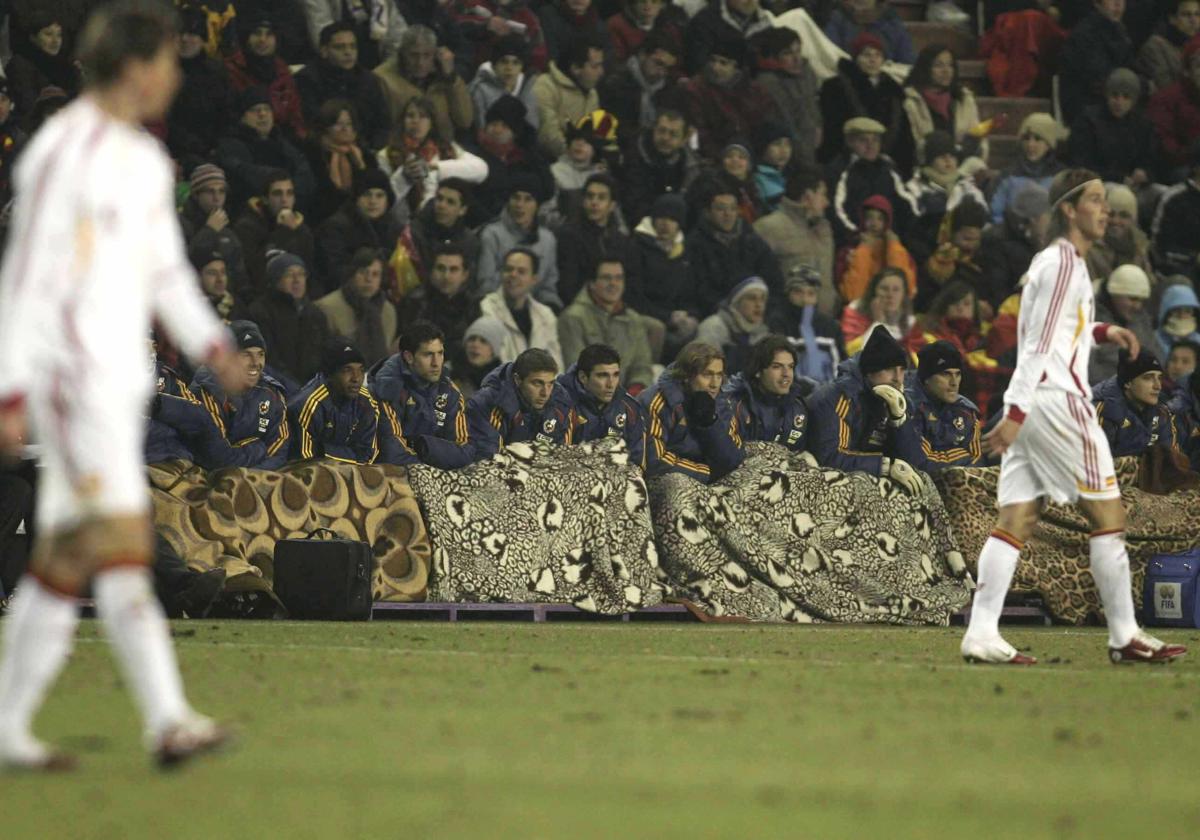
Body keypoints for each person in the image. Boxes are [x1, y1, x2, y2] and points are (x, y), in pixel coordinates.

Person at [0, 1, 237, 771]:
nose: (176, 73)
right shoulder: (61, 154)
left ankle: (6, 724)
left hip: (119, 383)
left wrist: (210, 342)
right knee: (126, 548)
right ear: (136, 67)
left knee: (63, 564)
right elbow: (28, 281)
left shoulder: (142, 160)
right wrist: (9, 391)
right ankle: (168, 719)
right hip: (72, 387)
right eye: (168, 59)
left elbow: (165, 270)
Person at [960, 168, 1186, 665]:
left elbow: (1062, 329)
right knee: (1109, 512)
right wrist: (1016, 411)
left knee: (1017, 517)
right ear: (1069, 209)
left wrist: (1104, 332)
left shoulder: (1062, 264)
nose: (1105, 210)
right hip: (1058, 402)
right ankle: (1125, 634)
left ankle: (980, 632)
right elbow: (1039, 345)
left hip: (1038, 402)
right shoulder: (1064, 262)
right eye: (1097, 200)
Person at [160, 321, 291, 470]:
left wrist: (256, 477)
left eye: (260, 355)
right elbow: (219, 458)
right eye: (246, 355)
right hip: (213, 481)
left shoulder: (272, 393)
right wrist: (258, 446)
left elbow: (279, 452)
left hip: (259, 478)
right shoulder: (207, 392)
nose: (256, 363)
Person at [806, 326, 926, 484]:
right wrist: (885, 466)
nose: (898, 378)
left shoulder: (899, 399)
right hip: (825, 480)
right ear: (870, 371)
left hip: (867, 477)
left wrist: (898, 420)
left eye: (902, 370)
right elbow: (831, 457)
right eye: (889, 369)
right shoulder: (839, 397)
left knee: (922, 485)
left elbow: (915, 463)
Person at [288, 337, 417, 465]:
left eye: (361, 370)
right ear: (330, 375)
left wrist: (323, 449)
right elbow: (304, 457)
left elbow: (367, 456)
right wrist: (349, 454)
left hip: (347, 472)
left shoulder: (367, 402)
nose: (356, 378)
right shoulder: (309, 404)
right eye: (347, 370)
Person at [371, 321, 474, 469]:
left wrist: (423, 445)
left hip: (434, 476)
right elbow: (392, 453)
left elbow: (466, 452)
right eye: (428, 355)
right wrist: (436, 463)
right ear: (409, 357)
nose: (436, 363)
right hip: (394, 479)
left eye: (440, 353)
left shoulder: (449, 391)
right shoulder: (385, 391)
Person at [639, 341, 744, 483]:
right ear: (687, 376)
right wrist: (707, 473)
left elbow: (734, 458)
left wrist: (710, 423)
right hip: (666, 480)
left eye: (719, 375)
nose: (714, 384)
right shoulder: (656, 401)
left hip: (710, 477)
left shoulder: (721, 402)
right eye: (707, 375)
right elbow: (655, 461)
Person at [686, 181, 783, 319]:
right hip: (716, 316)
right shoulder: (695, 244)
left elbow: (774, 281)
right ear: (707, 212)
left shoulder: (752, 241)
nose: (728, 214)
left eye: (733, 208)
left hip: (759, 315)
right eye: (721, 209)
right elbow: (699, 290)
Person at [216, 86, 317, 216]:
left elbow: (305, 174)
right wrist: (281, 182)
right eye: (255, 110)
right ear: (242, 117)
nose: (263, 114)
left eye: (267, 109)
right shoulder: (231, 145)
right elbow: (244, 174)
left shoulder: (282, 142)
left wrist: (288, 193)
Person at [557, 258, 655, 390]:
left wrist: (633, 395)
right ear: (592, 283)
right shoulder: (572, 318)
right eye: (606, 278)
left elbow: (642, 367)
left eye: (619, 278)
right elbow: (576, 370)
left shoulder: (633, 319)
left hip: (627, 399)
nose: (613, 283)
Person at [754, 167, 837, 318]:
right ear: (808, 196)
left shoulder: (824, 229)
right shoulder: (768, 227)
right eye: (823, 195)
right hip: (784, 324)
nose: (827, 202)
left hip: (824, 325)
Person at [466, 347, 573, 460]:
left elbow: (561, 458)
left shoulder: (561, 403)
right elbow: (488, 460)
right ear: (517, 380)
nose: (545, 393)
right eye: (537, 383)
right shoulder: (488, 404)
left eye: (550, 384)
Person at [294, 23, 390, 148]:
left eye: (353, 46)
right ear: (324, 51)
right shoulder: (306, 80)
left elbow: (383, 124)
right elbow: (308, 125)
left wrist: (371, 149)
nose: (348, 52)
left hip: (366, 148)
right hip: (321, 149)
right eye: (340, 47)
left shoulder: (369, 80)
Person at [374, 25, 474, 144]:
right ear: (402, 53)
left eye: (427, 55)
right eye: (414, 55)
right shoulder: (381, 78)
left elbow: (465, 121)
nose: (420, 63)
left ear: (436, 54)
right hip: (400, 151)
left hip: (443, 149)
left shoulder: (446, 77)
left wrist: (451, 78)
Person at [817, 32, 907, 164]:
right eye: (867, 55)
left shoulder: (893, 90)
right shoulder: (835, 87)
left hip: (888, 159)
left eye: (878, 55)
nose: (873, 60)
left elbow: (902, 130)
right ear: (856, 58)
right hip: (847, 158)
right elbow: (832, 128)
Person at [246, 250, 331, 390]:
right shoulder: (260, 312)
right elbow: (268, 358)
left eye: (301, 274)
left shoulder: (316, 313)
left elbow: (325, 353)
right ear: (275, 280)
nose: (297, 280)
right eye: (289, 274)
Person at [827, 116, 919, 245]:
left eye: (875, 140)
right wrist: (857, 236)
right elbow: (836, 211)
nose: (871, 146)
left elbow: (907, 201)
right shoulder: (840, 170)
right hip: (856, 243)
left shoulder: (888, 166)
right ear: (850, 142)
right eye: (863, 141)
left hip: (889, 240)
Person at [900, 44, 988, 177]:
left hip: (961, 168)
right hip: (924, 171)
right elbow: (913, 146)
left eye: (950, 65)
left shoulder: (964, 99)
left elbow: (978, 137)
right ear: (925, 68)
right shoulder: (911, 101)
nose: (946, 70)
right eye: (938, 65)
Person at [315, 168, 402, 299]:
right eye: (367, 194)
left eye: (379, 195)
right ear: (356, 198)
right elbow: (334, 272)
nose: (373, 201)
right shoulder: (335, 227)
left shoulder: (395, 228)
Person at [1066, 68, 1160, 188]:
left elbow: (1150, 158)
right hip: (1100, 184)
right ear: (1107, 95)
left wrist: (1144, 172)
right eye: (1115, 95)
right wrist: (1118, 178)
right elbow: (1081, 164)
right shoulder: (1088, 121)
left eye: (1126, 97)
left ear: (1134, 100)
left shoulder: (1142, 124)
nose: (1119, 102)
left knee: (1161, 193)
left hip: (1135, 185)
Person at [477, 179, 562, 309]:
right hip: (497, 306)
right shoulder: (492, 234)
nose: (520, 205)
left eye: (528, 199)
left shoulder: (548, 240)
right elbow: (485, 283)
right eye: (515, 198)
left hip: (535, 311)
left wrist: (551, 306)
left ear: (537, 205)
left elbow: (548, 286)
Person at [721, 335, 813, 453]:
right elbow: (728, 457)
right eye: (777, 367)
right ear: (758, 371)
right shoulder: (735, 406)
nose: (786, 374)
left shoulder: (798, 408)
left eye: (790, 367)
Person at [233, 170, 317, 299]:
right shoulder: (247, 227)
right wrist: (283, 232)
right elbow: (257, 272)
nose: (284, 200)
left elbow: (310, 273)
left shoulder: (302, 230)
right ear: (265, 199)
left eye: (289, 193)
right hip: (262, 299)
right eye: (278, 194)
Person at [559, 343, 647, 466]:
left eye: (615, 375)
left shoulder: (629, 407)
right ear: (583, 377)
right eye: (603, 376)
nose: (611, 384)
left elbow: (638, 461)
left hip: (619, 477)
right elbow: (557, 460)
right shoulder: (561, 405)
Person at [555, 173, 638, 304]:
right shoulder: (569, 236)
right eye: (590, 196)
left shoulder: (622, 241)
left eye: (601, 198)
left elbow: (630, 284)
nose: (594, 202)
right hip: (583, 307)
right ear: (583, 201)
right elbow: (568, 287)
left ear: (612, 206)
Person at [477, 247, 564, 368]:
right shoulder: (485, 307)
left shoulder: (546, 315)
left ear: (534, 279)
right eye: (508, 269)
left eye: (521, 271)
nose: (513, 275)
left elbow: (556, 366)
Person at [224, 14, 307, 141]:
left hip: (283, 139)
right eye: (257, 33)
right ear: (246, 37)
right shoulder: (231, 70)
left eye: (269, 34)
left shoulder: (282, 71)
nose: (262, 39)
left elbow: (294, 115)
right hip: (245, 140)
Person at [598, 31, 682, 151]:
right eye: (658, 63)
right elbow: (612, 130)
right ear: (642, 55)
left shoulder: (668, 89)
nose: (662, 73)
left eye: (667, 68)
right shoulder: (615, 83)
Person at [905, 340, 983, 470]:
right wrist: (962, 456)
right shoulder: (908, 407)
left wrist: (940, 456)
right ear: (926, 378)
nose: (954, 383)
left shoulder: (966, 411)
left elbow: (976, 460)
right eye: (945, 374)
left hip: (958, 482)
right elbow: (921, 462)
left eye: (958, 374)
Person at [315, 247, 398, 368]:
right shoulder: (327, 307)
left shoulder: (388, 311)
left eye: (375, 274)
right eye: (363, 272)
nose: (369, 279)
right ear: (352, 274)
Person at [619, 108, 702, 225]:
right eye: (661, 131)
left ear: (684, 140)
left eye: (673, 134)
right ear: (653, 130)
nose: (665, 138)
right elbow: (633, 205)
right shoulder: (633, 157)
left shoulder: (689, 166)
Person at [1057, 0, 1135, 124]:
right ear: (1097, 3)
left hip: (1112, 104)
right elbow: (1100, 79)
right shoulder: (1084, 35)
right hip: (1086, 111)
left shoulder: (1121, 33)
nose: (1118, 3)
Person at [1093, 351, 1180, 458]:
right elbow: (1094, 464)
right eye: (1148, 378)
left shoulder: (1162, 414)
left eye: (1159, 378)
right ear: (1128, 382)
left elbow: (1173, 463)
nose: (1158, 386)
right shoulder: (1100, 411)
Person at [179, 164, 249, 294]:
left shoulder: (227, 233)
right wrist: (209, 232)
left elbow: (239, 277)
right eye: (210, 191)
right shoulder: (178, 225)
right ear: (196, 195)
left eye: (221, 191)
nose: (217, 198)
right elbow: (181, 265)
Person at [532, 34, 606, 159]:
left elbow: (594, 136)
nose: (601, 72)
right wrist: (578, 159)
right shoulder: (545, 87)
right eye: (595, 66)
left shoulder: (592, 93)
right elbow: (548, 138)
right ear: (575, 68)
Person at [768, 265, 844, 383]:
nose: (805, 299)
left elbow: (842, 366)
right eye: (798, 292)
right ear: (788, 294)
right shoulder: (776, 324)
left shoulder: (831, 327)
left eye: (811, 293)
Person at [399, 243, 482, 350]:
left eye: (453, 269)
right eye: (440, 268)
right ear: (431, 271)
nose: (446, 276)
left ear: (465, 275)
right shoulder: (414, 302)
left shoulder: (473, 305)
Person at [838, 194, 917, 304]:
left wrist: (893, 247)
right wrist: (864, 250)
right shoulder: (849, 251)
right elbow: (853, 295)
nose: (874, 224)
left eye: (880, 219)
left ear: (887, 222)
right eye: (869, 217)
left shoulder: (899, 251)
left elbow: (906, 291)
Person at [989, 112, 1065, 225]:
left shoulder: (1061, 178)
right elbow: (995, 214)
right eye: (1026, 138)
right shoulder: (1007, 177)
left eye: (1038, 139)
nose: (1030, 145)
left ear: (1049, 144)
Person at [1089, 265, 1156, 384]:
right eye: (1133, 299)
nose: (1138, 306)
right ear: (1114, 293)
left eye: (1141, 300)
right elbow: (1087, 369)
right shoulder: (1091, 318)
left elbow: (1155, 357)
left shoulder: (1142, 319)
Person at [696, 276, 772, 377]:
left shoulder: (763, 334)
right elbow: (703, 372)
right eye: (752, 298)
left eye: (762, 299)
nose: (759, 305)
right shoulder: (713, 326)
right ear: (737, 302)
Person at [841, 266, 921, 356]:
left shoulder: (910, 322)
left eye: (896, 290)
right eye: (884, 289)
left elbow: (918, 359)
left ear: (904, 294)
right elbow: (853, 354)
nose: (890, 295)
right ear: (874, 291)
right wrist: (878, 322)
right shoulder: (855, 314)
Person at [469, 34, 540, 134]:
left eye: (516, 63)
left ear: (522, 67)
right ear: (494, 65)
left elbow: (532, 128)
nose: (509, 68)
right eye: (504, 62)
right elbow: (481, 131)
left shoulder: (527, 89)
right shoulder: (480, 90)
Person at [1138, 0, 1200, 93]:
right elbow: (1166, 86)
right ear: (1172, 19)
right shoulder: (1155, 46)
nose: (1193, 20)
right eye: (1186, 15)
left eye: (1197, 14)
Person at [454, 316, 506, 397]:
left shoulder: (505, 383)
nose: (475, 345)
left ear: (493, 350)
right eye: (471, 339)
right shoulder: (447, 375)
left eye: (483, 341)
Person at [1154, 282, 1200, 361]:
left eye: (1187, 311)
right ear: (1166, 312)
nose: (1182, 315)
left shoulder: (1198, 341)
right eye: (1176, 310)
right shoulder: (1154, 341)